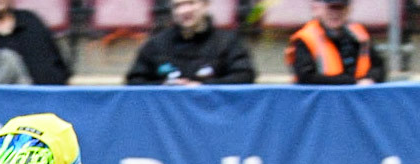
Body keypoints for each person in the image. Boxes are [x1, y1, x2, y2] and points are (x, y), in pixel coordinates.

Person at [126, 0, 255, 85]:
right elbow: (134, 81)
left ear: (205, 5)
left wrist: (204, 87)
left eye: (191, 3)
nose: (184, 10)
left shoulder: (228, 42)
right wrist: (163, 86)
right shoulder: (156, 44)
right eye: (178, 6)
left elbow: (244, 76)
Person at [286, 0, 386, 84]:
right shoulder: (305, 38)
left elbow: (378, 66)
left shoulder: (360, 35)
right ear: (318, 9)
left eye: (340, 8)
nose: (335, 14)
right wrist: (352, 82)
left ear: (348, 10)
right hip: (321, 100)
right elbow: (306, 77)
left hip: (357, 99)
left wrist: (370, 80)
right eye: (331, 8)